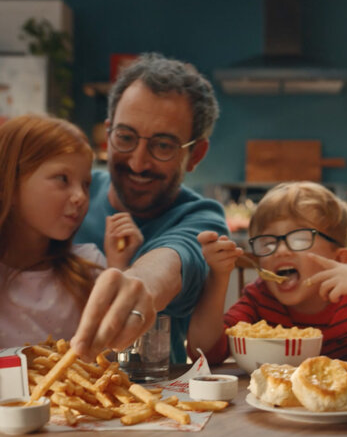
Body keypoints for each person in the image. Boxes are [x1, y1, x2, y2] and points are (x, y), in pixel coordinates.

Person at [72, 52, 228, 363]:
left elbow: (171, 261)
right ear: (107, 135)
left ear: (195, 154)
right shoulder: (69, 193)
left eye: (163, 146)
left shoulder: (201, 219)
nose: (138, 162)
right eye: (125, 137)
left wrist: (138, 284)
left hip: (149, 400)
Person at [187, 181, 347, 365]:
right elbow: (204, 354)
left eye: (300, 239)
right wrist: (218, 276)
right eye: (267, 242)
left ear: (339, 259)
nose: (281, 250)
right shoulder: (260, 300)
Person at [0, 114, 141, 347]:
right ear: (10, 184)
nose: (80, 197)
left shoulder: (89, 267)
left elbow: (114, 356)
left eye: (86, 184)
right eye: (63, 179)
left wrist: (117, 268)